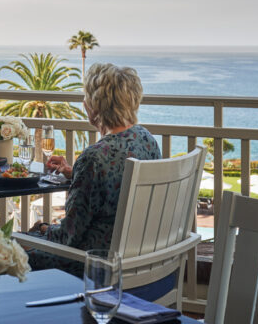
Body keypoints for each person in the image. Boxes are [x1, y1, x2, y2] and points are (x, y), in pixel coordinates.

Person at [25, 63, 161, 275]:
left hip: (94, 262)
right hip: (138, 259)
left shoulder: (94, 158)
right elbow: (116, 182)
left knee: (9, 251)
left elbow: (68, 236)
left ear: (94, 107)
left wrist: (43, 228)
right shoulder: (146, 140)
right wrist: (75, 173)